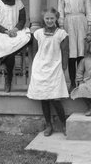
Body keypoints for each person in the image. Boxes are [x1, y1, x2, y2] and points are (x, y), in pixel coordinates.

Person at [27, 7, 69, 137]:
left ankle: (64, 124)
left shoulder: (61, 34)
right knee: (44, 98)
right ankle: (48, 124)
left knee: (55, 98)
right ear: (43, 19)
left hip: (55, 66)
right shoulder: (38, 33)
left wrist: (64, 66)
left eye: (52, 18)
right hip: (40, 67)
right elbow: (34, 51)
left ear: (56, 18)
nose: (49, 20)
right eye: (47, 18)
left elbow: (65, 51)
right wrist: (35, 66)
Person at [0, 0, 31, 92]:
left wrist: (15, 29)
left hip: (16, 30)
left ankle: (2, 60)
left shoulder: (19, 3)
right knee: (10, 51)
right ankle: (9, 79)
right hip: (1, 32)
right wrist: (7, 31)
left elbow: (22, 20)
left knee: (29, 37)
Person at [58, 0, 91, 92]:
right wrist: (62, 27)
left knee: (81, 52)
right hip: (69, 24)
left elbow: (89, 12)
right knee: (71, 53)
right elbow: (60, 13)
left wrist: (89, 27)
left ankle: (81, 81)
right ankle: (72, 82)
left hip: (81, 23)